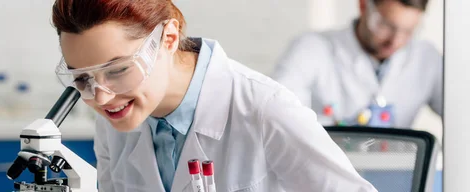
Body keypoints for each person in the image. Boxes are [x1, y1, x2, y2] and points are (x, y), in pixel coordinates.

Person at [51, 0, 377, 191]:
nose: (101, 97)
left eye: (118, 69)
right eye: (82, 77)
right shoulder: (118, 113)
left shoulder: (265, 109)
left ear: (168, 38)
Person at [272, 0, 442, 128]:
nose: (395, 41)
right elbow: (278, 113)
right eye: (385, 26)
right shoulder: (311, 47)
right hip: (326, 170)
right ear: (363, 6)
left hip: (399, 171)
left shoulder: (427, 58)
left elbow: (461, 116)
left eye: (408, 31)